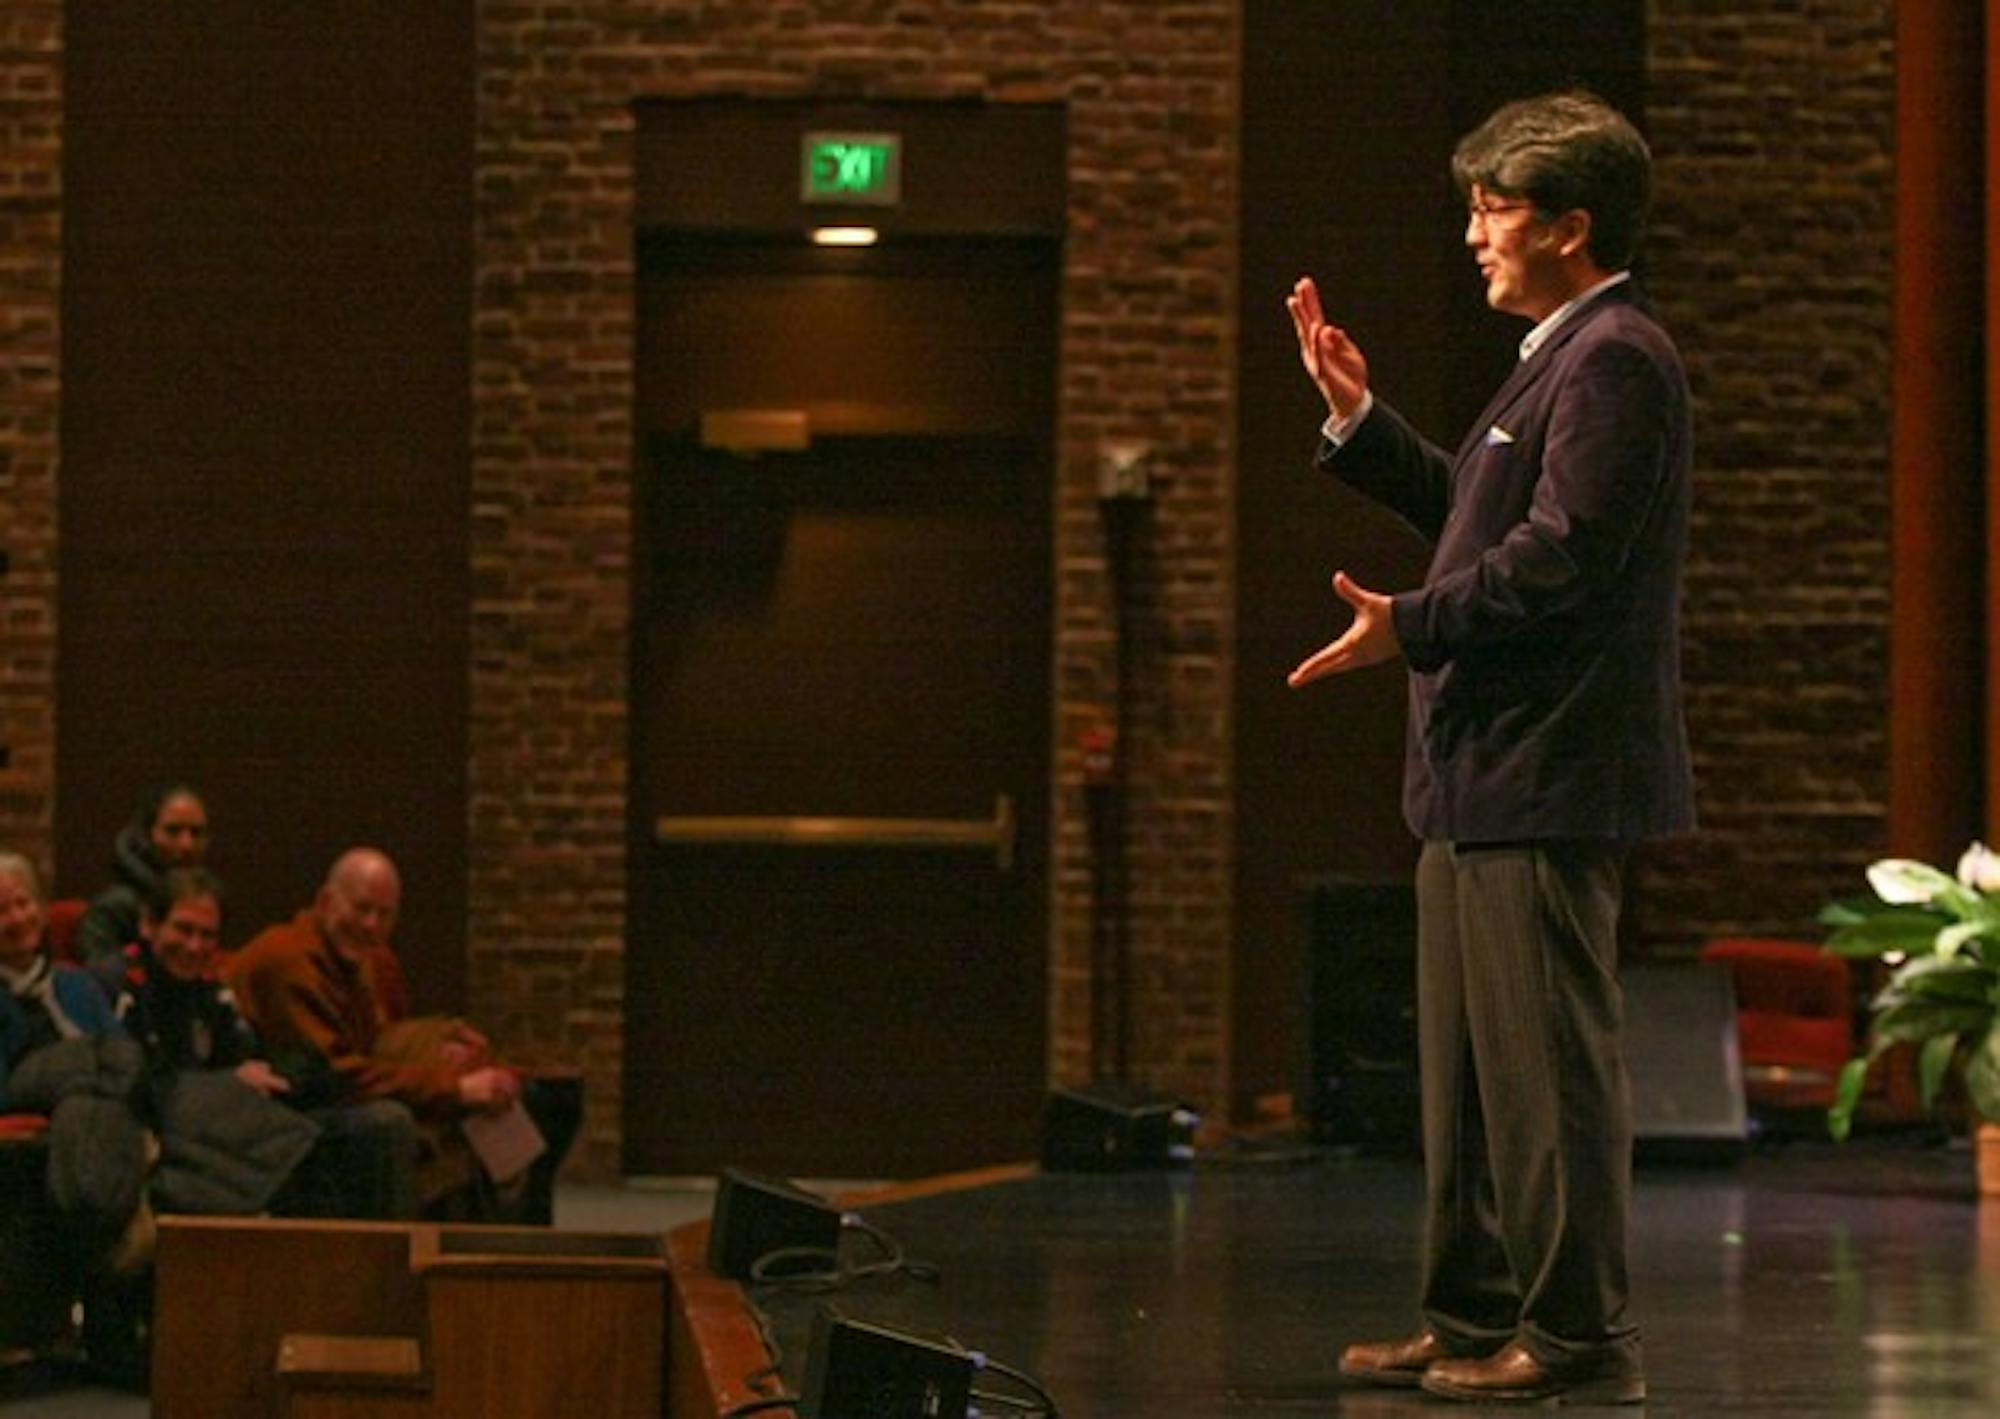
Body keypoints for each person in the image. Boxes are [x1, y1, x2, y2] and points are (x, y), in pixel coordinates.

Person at [1285, 90, 1692, 1406]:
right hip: (1479, 775)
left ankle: (1574, 1337)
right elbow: (1481, 505)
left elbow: (1561, 558)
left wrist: (1407, 625)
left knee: (1545, 1078)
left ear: (1571, 226)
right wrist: (1363, 426)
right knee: (1465, 1081)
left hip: (1549, 766)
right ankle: (1470, 1317)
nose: (1472, 232)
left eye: (1493, 206)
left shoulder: (1618, 355)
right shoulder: (1561, 356)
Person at [225, 847, 579, 1223]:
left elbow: (383, 1040)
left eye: (384, 914)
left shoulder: (372, 959)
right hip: (286, 1107)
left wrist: (448, 1048)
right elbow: (337, 1076)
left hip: (347, 1086)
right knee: (392, 1120)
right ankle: (405, 1266)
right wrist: (455, 1089)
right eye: (361, 909)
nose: (371, 926)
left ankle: (508, 1258)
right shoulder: (288, 959)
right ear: (325, 901)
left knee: (541, 1093)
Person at [75, 784, 211, 1000]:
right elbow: (98, 984)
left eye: (196, 833)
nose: (187, 844)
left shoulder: (206, 903)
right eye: (173, 831)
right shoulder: (113, 906)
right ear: (146, 836)